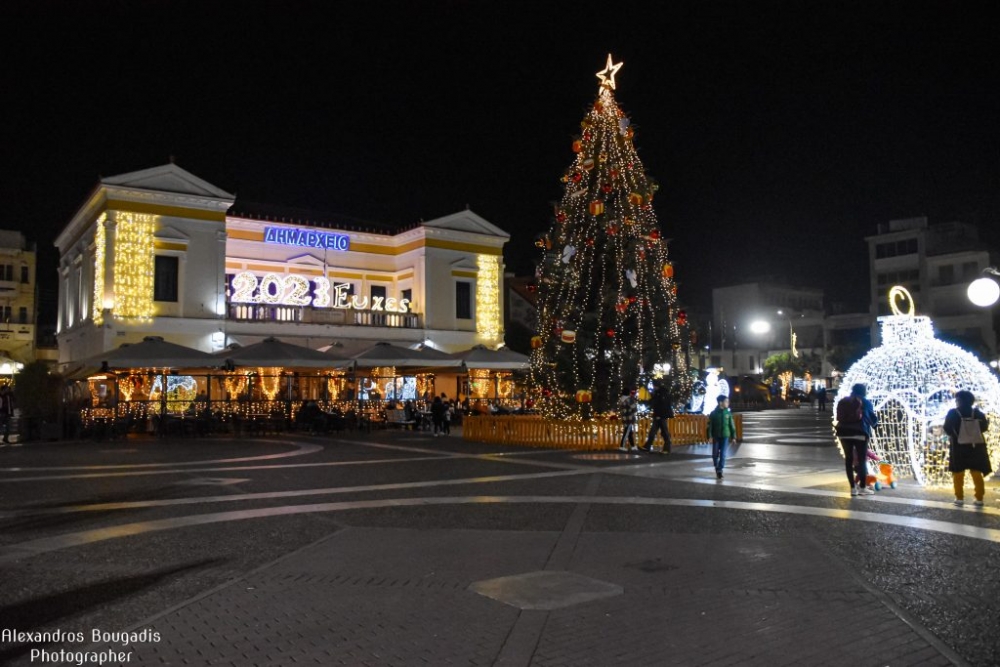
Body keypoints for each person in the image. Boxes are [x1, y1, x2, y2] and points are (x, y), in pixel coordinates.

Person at [943, 390, 991, 508]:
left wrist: (956, 434)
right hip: (976, 447)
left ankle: (959, 498)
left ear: (959, 400)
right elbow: (984, 427)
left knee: (958, 472)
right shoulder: (978, 413)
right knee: (976, 472)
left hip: (959, 447)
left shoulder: (953, 413)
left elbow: (947, 428)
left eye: (957, 399)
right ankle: (979, 498)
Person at [835, 383, 879, 497]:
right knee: (861, 460)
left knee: (848, 460)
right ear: (863, 391)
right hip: (860, 432)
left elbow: (839, 416)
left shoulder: (843, 401)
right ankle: (862, 487)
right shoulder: (866, 402)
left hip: (843, 432)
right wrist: (875, 424)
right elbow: (871, 418)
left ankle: (853, 488)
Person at [707, 395, 736, 479]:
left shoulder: (728, 413)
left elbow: (732, 425)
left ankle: (720, 469)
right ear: (720, 403)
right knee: (715, 454)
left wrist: (733, 436)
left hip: (725, 436)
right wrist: (709, 436)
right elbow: (709, 426)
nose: (728, 403)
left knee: (723, 454)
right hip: (716, 436)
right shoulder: (713, 413)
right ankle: (717, 467)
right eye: (726, 401)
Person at [642, 381, 673, 454]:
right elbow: (655, 403)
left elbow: (662, 405)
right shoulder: (658, 393)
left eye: (654, 386)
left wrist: (659, 414)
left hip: (661, 415)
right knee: (653, 431)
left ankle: (666, 448)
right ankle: (647, 446)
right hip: (658, 415)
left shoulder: (662, 393)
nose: (653, 387)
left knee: (664, 432)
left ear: (656, 386)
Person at [617, 387, 639, 452]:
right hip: (629, 418)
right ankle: (622, 446)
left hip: (624, 417)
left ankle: (633, 446)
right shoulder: (629, 399)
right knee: (626, 432)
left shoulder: (621, 399)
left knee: (629, 432)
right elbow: (634, 408)